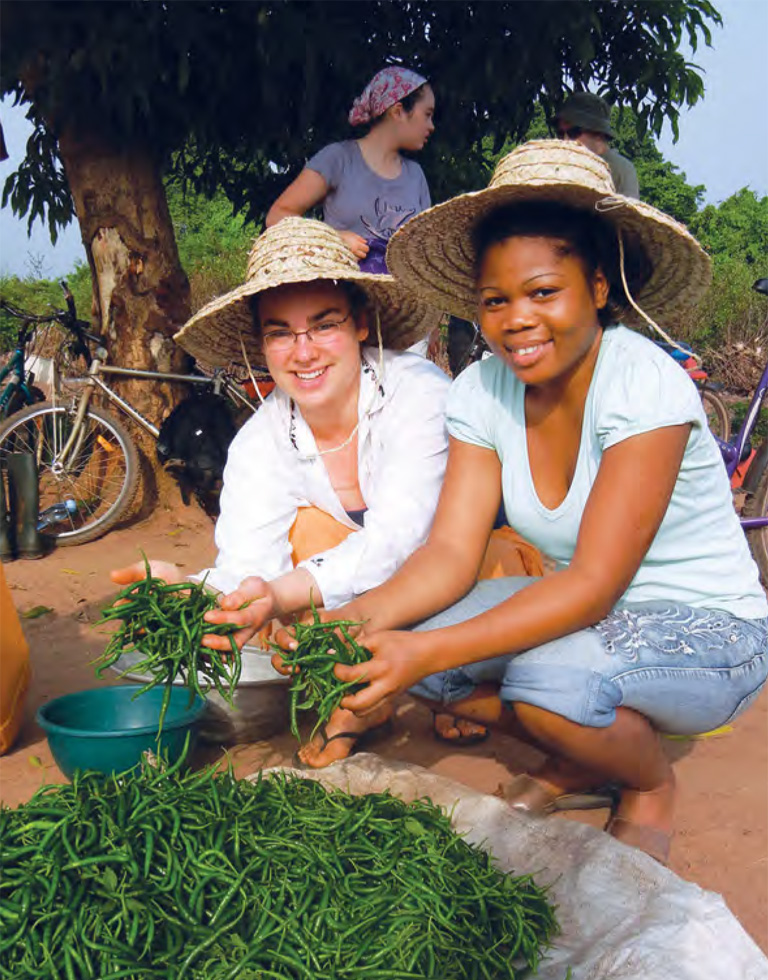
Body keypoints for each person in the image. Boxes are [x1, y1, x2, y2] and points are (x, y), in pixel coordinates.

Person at [304, 140, 768, 864]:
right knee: (411, 647)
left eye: (543, 292)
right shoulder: (481, 391)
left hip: (710, 632)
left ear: (599, 288)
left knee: (536, 677)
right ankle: (583, 752)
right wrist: (340, 624)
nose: (517, 318)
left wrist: (423, 644)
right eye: (496, 300)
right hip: (595, 620)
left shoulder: (642, 384)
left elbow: (591, 585)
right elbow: (452, 554)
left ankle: (646, 782)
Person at [110, 217, 448, 766]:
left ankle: (454, 683)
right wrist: (197, 595)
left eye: (323, 325)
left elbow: (402, 541)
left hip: (457, 573)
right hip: (366, 598)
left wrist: (280, 595)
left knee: (492, 561)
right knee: (300, 542)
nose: (303, 351)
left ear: (361, 324)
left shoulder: (418, 396)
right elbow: (249, 564)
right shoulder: (261, 440)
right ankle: (368, 696)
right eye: (280, 332)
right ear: (261, 345)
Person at [265, 67, 435, 273]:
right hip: (344, 297)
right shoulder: (338, 159)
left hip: (400, 303)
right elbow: (277, 216)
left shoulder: (416, 176)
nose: (431, 126)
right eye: (427, 114)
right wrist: (332, 239)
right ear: (398, 111)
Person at [553, 92, 639, 199]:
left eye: (573, 132)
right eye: (561, 134)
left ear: (598, 133)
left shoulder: (620, 169)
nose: (565, 140)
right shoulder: (557, 166)